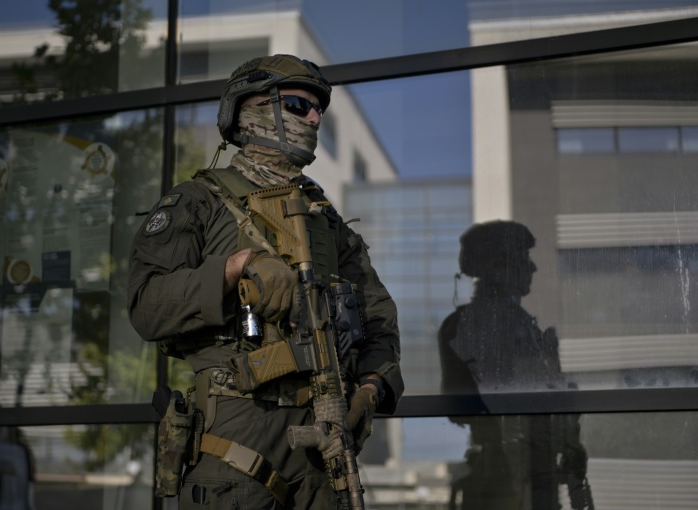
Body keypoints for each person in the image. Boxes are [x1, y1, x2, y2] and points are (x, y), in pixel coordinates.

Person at [128, 54, 403, 509]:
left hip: (323, 442)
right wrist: (236, 266)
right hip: (236, 440)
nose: (314, 117)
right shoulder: (199, 201)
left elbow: (378, 317)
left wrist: (371, 388)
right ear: (252, 108)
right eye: (299, 104)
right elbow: (146, 306)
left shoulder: (324, 219)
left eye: (319, 109)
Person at [438, 220, 593, 510]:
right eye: (524, 258)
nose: (532, 268)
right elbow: (491, 401)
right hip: (514, 479)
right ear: (499, 267)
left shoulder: (467, 323)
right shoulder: (495, 324)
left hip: (515, 474)